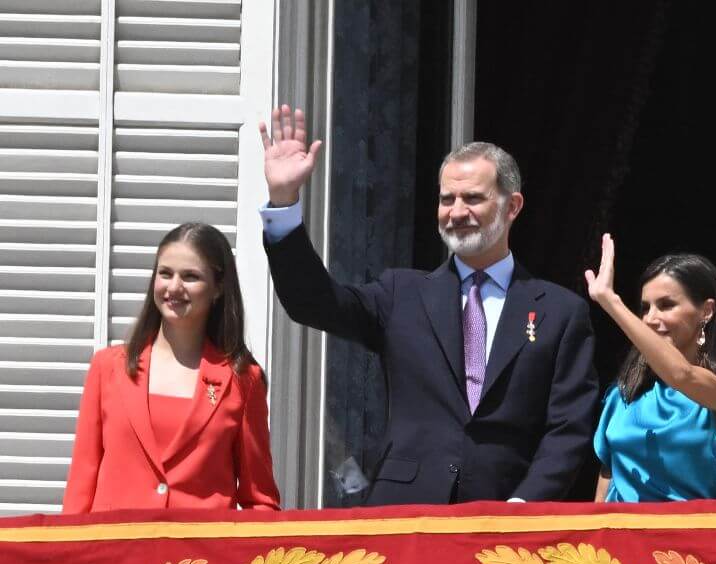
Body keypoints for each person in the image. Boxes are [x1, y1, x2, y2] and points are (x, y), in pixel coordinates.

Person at [257, 105, 599, 505]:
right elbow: (312, 303)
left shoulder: (559, 311)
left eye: (473, 198)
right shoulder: (402, 293)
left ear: (513, 206)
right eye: (446, 198)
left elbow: (570, 427)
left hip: (505, 515)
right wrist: (283, 203)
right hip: (406, 513)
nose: (456, 212)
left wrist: (525, 505)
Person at [63, 224, 280, 513]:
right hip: (115, 555)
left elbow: (259, 501)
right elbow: (80, 490)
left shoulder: (243, 380)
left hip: (202, 557)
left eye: (190, 276)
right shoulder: (107, 368)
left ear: (217, 288)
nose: (174, 287)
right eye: (165, 273)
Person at [586, 238, 716, 501]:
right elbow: (605, 486)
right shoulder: (623, 394)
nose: (650, 319)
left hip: (685, 539)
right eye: (645, 308)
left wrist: (611, 302)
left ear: (707, 311)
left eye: (666, 305)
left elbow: (682, 376)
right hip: (619, 537)